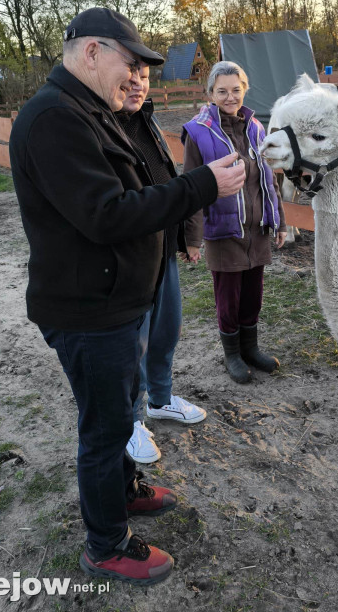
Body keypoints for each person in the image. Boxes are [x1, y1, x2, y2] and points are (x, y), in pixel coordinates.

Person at [9, 8, 245, 586]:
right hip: (89, 310)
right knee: (106, 427)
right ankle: (106, 544)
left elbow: (136, 188)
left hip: (117, 300)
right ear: (92, 52)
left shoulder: (93, 111)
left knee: (122, 407)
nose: (138, 75)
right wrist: (202, 185)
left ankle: (126, 491)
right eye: (131, 61)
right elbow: (106, 215)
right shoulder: (54, 120)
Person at [116, 65, 206, 466]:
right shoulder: (103, 129)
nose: (138, 85)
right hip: (133, 259)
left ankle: (161, 399)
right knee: (133, 343)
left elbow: (170, 178)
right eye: (130, 76)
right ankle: (130, 420)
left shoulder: (147, 122)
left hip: (164, 249)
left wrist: (187, 235)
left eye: (145, 77)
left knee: (167, 330)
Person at [182, 61, 287, 384]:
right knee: (229, 298)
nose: (230, 97)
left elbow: (268, 179)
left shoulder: (256, 128)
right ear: (211, 93)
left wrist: (279, 221)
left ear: (245, 90)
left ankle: (250, 348)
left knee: (253, 294)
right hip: (223, 231)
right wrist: (192, 238)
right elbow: (191, 188)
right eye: (222, 91)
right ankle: (232, 354)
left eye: (236, 90)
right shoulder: (198, 133)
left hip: (256, 229)